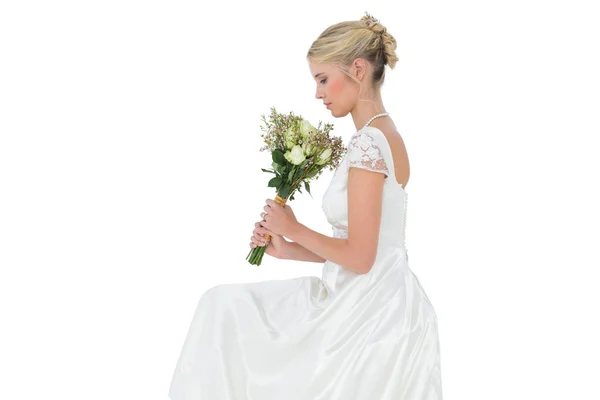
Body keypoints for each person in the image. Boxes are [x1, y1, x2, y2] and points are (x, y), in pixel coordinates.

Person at [168, 12, 443, 399]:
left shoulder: (368, 144)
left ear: (358, 69)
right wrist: (290, 249)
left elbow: (362, 258)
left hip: (365, 314)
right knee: (226, 308)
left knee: (223, 309)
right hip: (388, 302)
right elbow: (377, 252)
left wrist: (292, 227)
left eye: (323, 79)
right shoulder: (388, 134)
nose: (318, 93)